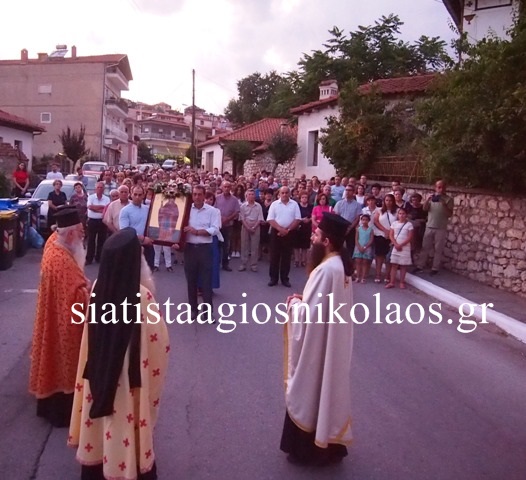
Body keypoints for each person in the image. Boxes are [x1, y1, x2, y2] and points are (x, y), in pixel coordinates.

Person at [68, 228, 169, 480]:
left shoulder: (97, 288)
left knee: (102, 423)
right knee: (126, 421)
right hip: (128, 380)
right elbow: (160, 344)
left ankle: (97, 466)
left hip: (99, 373)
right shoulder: (143, 297)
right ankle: (127, 467)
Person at [280, 212, 354, 466]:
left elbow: (309, 317)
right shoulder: (340, 266)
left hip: (319, 346)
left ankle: (307, 452)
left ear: (326, 241)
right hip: (332, 343)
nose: (312, 237)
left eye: (317, 234)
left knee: (311, 390)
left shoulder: (325, 270)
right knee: (327, 390)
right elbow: (324, 307)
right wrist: (305, 299)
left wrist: (294, 305)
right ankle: (330, 446)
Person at [29, 206, 89, 427]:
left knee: (51, 355)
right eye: (80, 233)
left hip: (52, 314)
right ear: (70, 234)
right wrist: (90, 290)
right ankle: (62, 411)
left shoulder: (54, 241)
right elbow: (76, 297)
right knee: (63, 360)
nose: (82, 237)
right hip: (63, 323)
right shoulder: (62, 261)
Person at [174, 185, 221, 322]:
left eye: (200, 194)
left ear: (204, 196)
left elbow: (215, 229)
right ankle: (193, 310)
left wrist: (197, 232)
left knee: (206, 282)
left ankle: (208, 313)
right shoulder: (186, 210)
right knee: (191, 281)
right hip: (190, 249)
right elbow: (178, 226)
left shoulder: (213, 211)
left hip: (205, 249)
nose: (197, 197)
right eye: (194, 194)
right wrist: (175, 241)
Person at [414, 180, 454, 275]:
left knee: (438, 249)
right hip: (429, 226)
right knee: (425, 247)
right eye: (439, 187)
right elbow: (424, 209)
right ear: (435, 188)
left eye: (442, 187)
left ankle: (435, 268)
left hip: (441, 227)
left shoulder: (448, 199)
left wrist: (443, 204)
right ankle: (420, 265)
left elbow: (449, 214)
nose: (441, 189)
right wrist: (427, 200)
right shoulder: (432, 198)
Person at [267, 187, 301, 287]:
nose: (285, 194)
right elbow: (270, 219)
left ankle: (285, 279)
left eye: (286, 193)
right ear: (279, 194)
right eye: (283, 193)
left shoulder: (294, 204)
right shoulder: (274, 204)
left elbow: (297, 219)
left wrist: (287, 230)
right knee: (274, 256)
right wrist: (280, 229)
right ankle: (273, 279)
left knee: (286, 256)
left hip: (289, 233)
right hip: (276, 232)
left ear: (289, 193)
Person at [119, 185, 154, 269]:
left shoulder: (148, 209)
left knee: (148, 271)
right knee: (133, 272)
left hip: (148, 245)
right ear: (131, 195)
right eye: (135, 194)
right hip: (132, 246)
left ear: (143, 195)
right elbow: (125, 231)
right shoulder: (125, 211)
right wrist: (142, 239)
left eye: (140, 195)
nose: (137, 197)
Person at [215, 181, 240, 271]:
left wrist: (228, 219)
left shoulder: (234, 199)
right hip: (218, 225)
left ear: (231, 188)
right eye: (225, 186)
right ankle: (216, 263)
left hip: (228, 225)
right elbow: (214, 209)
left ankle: (225, 264)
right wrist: (220, 218)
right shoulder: (217, 198)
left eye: (228, 187)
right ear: (222, 187)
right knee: (217, 245)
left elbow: (237, 211)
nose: (226, 188)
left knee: (226, 245)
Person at [386, 207, 414, 289]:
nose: (401, 215)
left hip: (405, 247)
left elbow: (409, 237)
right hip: (395, 246)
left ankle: (402, 282)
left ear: (406, 215)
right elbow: (391, 235)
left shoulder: (409, 225)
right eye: (400, 213)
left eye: (403, 214)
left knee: (403, 265)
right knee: (394, 265)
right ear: (398, 215)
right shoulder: (394, 224)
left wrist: (401, 245)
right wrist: (396, 244)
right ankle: (392, 282)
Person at [154, 186, 180, 272]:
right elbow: (159, 213)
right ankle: (156, 264)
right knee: (157, 246)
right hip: (161, 226)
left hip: (169, 226)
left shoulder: (175, 206)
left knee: (167, 247)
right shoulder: (163, 204)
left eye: (172, 197)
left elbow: (176, 215)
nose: (171, 199)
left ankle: (168, 265)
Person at [373, 194, 397, 283]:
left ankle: (387, 275)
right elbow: (376, 221)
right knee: (379, 256)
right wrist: (385, 230)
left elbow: (398, 223)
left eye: (390, 200)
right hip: (380, 235)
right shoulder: (379, 210)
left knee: (389, 257)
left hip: (392, 237)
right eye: (386, 200)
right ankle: (378, 274)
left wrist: (390, 233)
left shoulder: (397, 211)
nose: (388, 202)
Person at [238, 188, 264, 272]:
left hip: (256, 226)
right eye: (249, 194)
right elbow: (242, 218)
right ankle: (243, 264)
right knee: (244, 246)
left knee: (255, 246)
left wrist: (254, 227)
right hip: (245, 226)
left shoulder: (258, 206)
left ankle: (254, 265)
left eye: (252, 194)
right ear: (246, 196)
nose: (251, 196)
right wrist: (248, 227)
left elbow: (260, 218)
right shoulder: (243, 206)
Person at [86, 181, 110, 265]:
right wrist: (101, 208)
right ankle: (89, 259)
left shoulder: (107, 199)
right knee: (91, 240)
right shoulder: (91, 197)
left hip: (102, 221)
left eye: (101, 187)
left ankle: (99, 258)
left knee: (101, 240)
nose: (99, 189)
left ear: (104, 189)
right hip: (92, 221)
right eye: (98, 187)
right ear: (95, 189)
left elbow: (106, 209)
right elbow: (90, 207)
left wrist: (95, 208)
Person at [293, 192, 312, 268]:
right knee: (296, 244)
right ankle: (297, 260)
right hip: (298, 226)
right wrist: (301, 219)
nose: (304, 199)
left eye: (306, 197)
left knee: (305, 245)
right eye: (303, 197)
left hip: (307, 227)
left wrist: (309, 219)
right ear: (300, 198)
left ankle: (304, 260)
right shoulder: (297, 206)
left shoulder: (310, 206)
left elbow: (313, 215)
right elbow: (294, 215)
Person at [353, 214, 374, 283]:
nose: (364, 221)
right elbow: (356, 239)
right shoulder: (358, 229)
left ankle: (363, 277)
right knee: (358, 261)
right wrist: (359, 246)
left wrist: (365, 247)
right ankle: (357, 276)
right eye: (363, 220)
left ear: (369, 221)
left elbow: (371, 240)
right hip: (358, 246)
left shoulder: (371, 230)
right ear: (361, 220)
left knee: (365, 262)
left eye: (366, 220)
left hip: (367, 248)